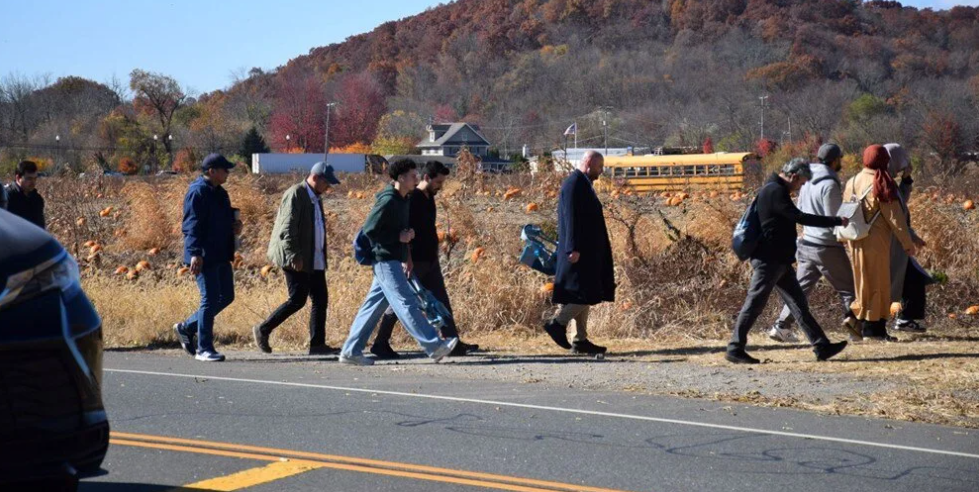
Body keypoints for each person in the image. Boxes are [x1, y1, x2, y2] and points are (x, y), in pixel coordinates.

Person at [727, 158, 850, 364]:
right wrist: (836, 220)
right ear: (793, 176)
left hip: (779, 260)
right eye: (800, 183)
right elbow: (799, 217)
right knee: (755, 303)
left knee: (798, 304)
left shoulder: (774, 189)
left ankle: (821, 345)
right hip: (769, 260)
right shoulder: (775, 191)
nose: (799, 187)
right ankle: (735, 348)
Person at [339, 159, 458, 366]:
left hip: (394, 258)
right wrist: (398, 237)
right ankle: (434, 345)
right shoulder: (388, 200)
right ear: (401, 178)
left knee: (372, 307)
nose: (416, 179)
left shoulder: (404, 199)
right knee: (406, 303)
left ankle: (350, 351)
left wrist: (406, 255)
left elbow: (400, 232)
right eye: (412, 176)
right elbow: (370, 230)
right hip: (385, 259)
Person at [369, 160, 479, 359]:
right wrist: (406, 258)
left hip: (430, 259)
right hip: (414, 260)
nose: (440, 187)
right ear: (427, 178)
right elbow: (405, 229)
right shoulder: (414, 199)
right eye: (438, 182)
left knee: (441, 301)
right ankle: (380, 343)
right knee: (401, 303)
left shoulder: (429, 197)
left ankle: (452, 341)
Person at [768, 144, 860, 343]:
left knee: (799, 289)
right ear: (835, 161)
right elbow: (833, 216)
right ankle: (855, 326)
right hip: (826, 245)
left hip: (806, 243)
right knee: (848, 288)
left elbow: (800, 208)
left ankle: (781, 326)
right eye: (840, 160)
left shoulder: (806, 179)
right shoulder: (830, 183)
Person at [253, 162, 341, 355]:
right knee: (298, 299)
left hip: (313, 257)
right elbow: (287, 227)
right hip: (297, 256)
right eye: (327, 183)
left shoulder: (316, 198)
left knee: (320, 299)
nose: (328, 188)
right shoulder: (296, 194)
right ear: (316, 178)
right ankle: (263, 329)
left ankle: (317, 345)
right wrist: (294, 254)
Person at [542, 150, 615, 355]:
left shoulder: (582, 184)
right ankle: (557, 324)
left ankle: (580, 340)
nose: (601, 172)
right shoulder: (575, 184)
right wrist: (573, 248)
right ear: (589, 163)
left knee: (584, 291)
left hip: (586, 251)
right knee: (585, 293)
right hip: (578, 251)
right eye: (600, 167)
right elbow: (571, 218)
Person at [844, 145, 918, 341]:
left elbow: (845, 211)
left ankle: (854, 319)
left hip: (855, 238)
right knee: (879, 284)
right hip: (875, 240)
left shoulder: (853, 180)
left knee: (862, 283)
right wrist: (907, 242)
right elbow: (895, 216)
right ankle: (874, 332)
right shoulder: (882, 181)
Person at [173, 153, 241, 362]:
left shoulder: (221, 193)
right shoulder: (197, 192)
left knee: (226, 296)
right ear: (212, 171)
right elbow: (191, 226)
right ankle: (204, 348)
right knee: (209, 299)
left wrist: (236, 227)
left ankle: (186, 327)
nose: (228, 173)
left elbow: (225, 220)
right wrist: (195, 253)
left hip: (221, 253)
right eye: (224, 169)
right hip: (204, 255)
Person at [884, 143, 932, 334]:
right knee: (913, 278)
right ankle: (905, 319)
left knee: (911, 279)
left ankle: (905, 319)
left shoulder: (888, 181)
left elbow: (901, 202)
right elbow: (896, 217)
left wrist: (907, 179)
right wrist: (910, 238)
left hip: (897, 241)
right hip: (893, 242)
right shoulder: (883, 183)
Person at [5, 160, 45, 229]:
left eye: (35, 178)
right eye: (29, 178)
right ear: (18, 178)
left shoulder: (37, 199)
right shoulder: (6, 197)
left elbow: (40, 227)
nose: (33, 182)